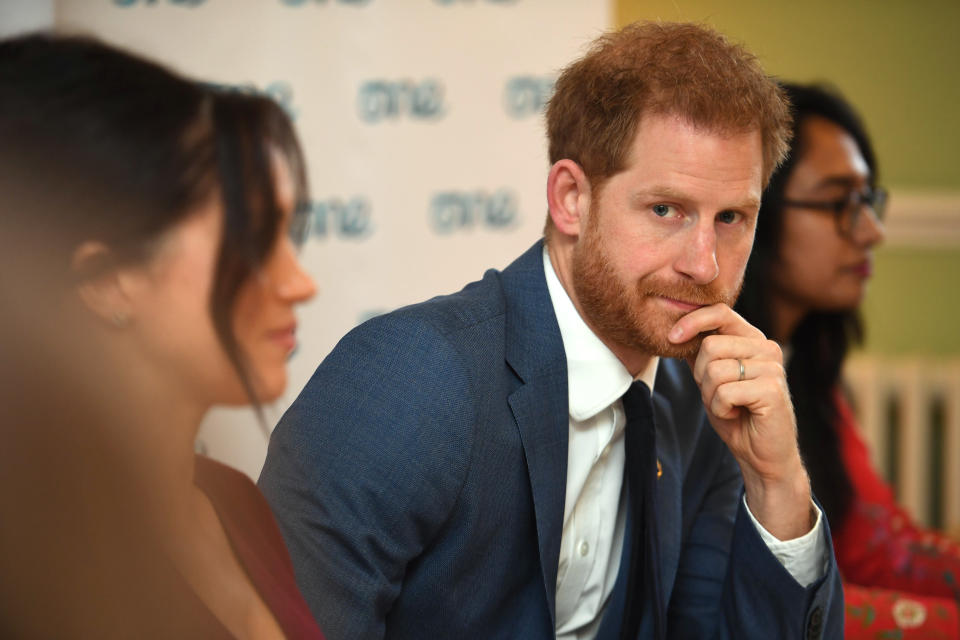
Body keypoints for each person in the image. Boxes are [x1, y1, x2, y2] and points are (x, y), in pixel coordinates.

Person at [260, 21, 843, 639]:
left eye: (731, 217)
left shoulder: (702, 407)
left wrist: (777, 481)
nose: (705, 263)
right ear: (570, 198)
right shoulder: (411, 381)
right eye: (666, 210)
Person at [0, 34, 323, 638]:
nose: (299, 282)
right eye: (252, 239)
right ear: (108, 279)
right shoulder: (31, 576)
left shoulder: (236, 505)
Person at [735, 82, 960, 638]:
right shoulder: (714, 381)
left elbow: (881, 549)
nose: (872, 232)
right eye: (840, 202)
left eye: (868, 201)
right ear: (755, 211)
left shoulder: (810, 371)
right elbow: (767, 607)